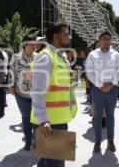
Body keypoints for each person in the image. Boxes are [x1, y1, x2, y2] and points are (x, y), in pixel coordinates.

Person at [30, 23, 78, 167]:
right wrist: (44, 120)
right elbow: (37, 91)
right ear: (56, 37)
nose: (69, 36)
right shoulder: (46, 57)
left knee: (46, 161)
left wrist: (72, 80)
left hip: (57, 121)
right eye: (66, 33)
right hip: (49, 122)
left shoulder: (60, 57)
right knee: (55, 163)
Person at [85, 31, 119, 153]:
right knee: (97, 117)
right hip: (97, 90)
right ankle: (97, 142)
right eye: (104, 39)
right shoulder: (92, 55)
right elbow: (89, 72)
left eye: (109, 39)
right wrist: (101, 85)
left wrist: (111, 84)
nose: (107, 41)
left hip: (112, 89)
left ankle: (110, 141)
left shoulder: (116, 54)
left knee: (111, 116)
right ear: (99, 41)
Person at [9, 34, 37, 151]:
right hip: (21, 94)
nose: (35, 46)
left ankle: (37, 140)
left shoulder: (38, 57)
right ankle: (28, 140)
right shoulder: (16, 57)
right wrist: (10, 86)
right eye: (32, 44)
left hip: (36, 94)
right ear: (25, 45)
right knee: (26, 118)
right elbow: (11, 72)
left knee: (36, 118)